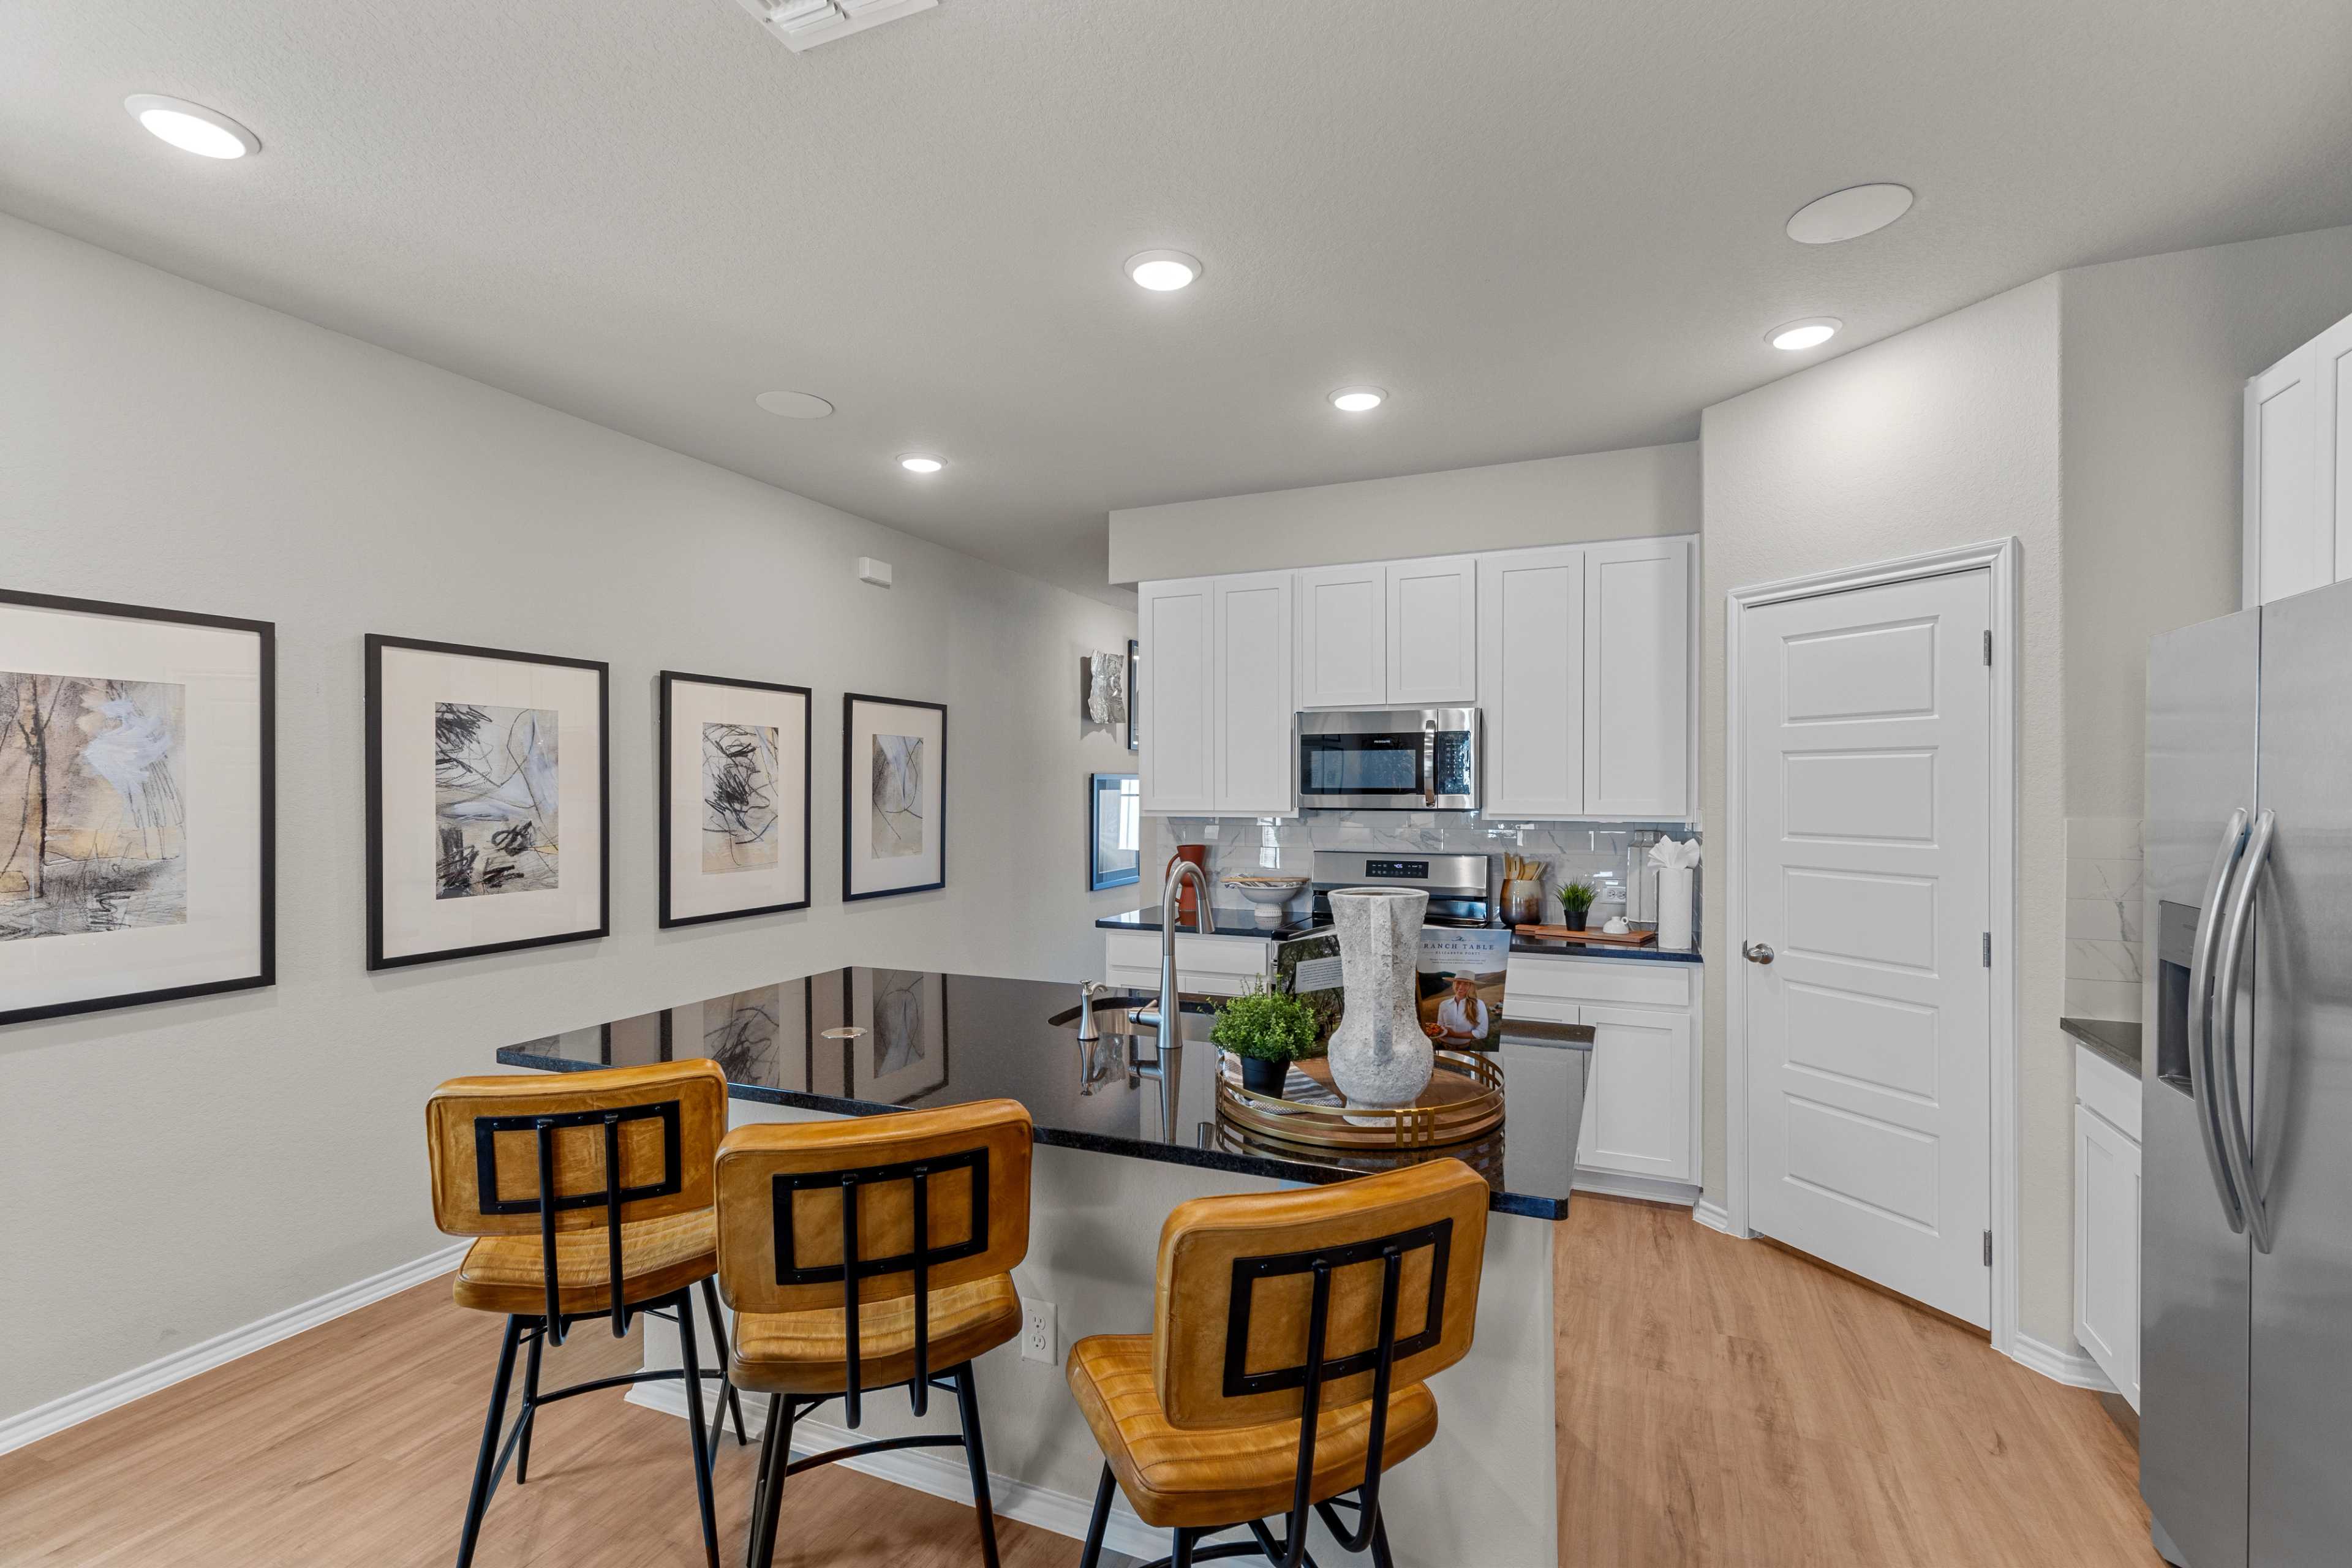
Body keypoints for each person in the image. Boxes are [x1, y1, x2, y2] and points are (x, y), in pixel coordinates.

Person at [1433, 974, 1490, 1044]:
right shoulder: (1444, 1004)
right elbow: (1440, 1026)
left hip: (1464, 1048)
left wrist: (1454, 1035)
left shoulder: (1478, 1004)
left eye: (1466, 984)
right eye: (1458, 983)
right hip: (1441, 1045)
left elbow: (1482, 1033)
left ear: (1471, 986)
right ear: (1454, 984)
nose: (1461, 987)